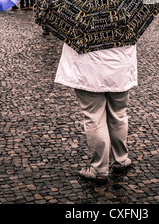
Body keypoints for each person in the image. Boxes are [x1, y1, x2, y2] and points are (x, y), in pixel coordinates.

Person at [55, 42, 137, 185]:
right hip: (119, 65)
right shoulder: (126, 19)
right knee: (118, 114)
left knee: (94, 117)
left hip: (88, 67)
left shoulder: (79, 19)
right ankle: (121, 160)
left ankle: (99, 170)